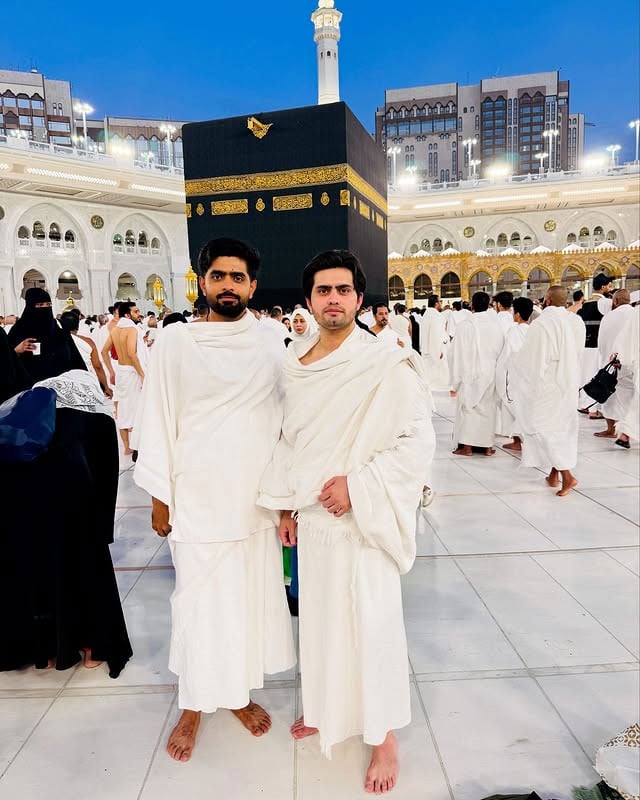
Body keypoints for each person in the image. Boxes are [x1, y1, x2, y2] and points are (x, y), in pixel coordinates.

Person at [258, 249, 435, 795]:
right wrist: (286, 505)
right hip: (313, 522)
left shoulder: (385, 362)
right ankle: (328, 711)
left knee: (371, 627)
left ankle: (383, 737)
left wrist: (357, 488)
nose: (332, 299)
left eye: (342, 290)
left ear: (359, 299)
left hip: (362, 520)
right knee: (320, 624)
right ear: (309, 300)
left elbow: (417, 442)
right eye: (322, 290)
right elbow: (288, 440)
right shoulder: (293, 361)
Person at [133, 237, 295, 764]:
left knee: (246, 603)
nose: (229, 285)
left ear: (252, 285)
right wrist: (160, 497)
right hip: (197, 496)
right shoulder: (175, 342)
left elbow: (288, 421)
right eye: (219, 276)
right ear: (202, 281)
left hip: (254, 499)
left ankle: (239, 694)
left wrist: (287, 497)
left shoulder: (272, 340)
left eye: (239, 277)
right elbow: (157, 415)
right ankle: (194, 704)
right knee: (200, 606)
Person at [0, 328, 132, 678]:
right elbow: (107, 480)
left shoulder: (22, 408)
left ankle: (41, 650)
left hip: (24, 508)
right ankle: (92, 648)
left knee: (37, 570)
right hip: (75, 508)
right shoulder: (95, 417)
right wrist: (103, 529)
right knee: (84, 571)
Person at [510, 286, 585, 497]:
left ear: (548, 300)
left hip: (549, 384)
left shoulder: (542, 324)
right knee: (562, 427)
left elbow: (532, 361)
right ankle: (554, 474)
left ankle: (567, 476)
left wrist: (514, 364)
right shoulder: (574, 321)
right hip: (569, 383)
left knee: (542, 427)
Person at [451, 291, 504, 457]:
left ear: (472, 305)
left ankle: (466, 447)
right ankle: (487, 446)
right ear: (489, 305)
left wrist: (455, 378)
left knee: (469, 408)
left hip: (470, 372)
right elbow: (501, 351)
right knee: (488, 408)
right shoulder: (496, 326)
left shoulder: (465, 326)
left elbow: (456, 353)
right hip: (490, 372)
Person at [8, 289, 86, 382]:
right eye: (40, 305)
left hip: (64, 387)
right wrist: (16, 351)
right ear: (30, 306)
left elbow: (76, 358)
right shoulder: (19, 330)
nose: (45, 308)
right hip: (34, 389)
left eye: (48, 304)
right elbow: (5, 362)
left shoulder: (59, 328)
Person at [101, 301, 146, 455]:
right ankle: (138, 444)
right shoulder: (131, 329)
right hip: (132, 372)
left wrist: (112, 371)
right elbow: (131, 353)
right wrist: (142, 373)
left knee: (123, 408)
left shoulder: (115, 330)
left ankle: (127, 447)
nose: (138, 314)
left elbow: (104, 351)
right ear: (127, 314)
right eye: (135, 312)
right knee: (137, 408)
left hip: (120, 372)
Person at [593, 289, 636, 439]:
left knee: (610, 398)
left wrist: (605, 359)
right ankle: (628, 431)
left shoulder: (609, 317)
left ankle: (611, 429)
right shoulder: (635, 314)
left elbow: (602, 343)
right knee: (631, 397)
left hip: (611, 363)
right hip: (632, 363)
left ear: (615, 301)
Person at [495, 296, 534, 452]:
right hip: (530, 376)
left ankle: (518, 440)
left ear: (517, 314)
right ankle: (523, 439)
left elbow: (510, 354)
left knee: (513, 407)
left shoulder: (514, 330)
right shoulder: (533, 330)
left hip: (515, 376)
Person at [578, 273, 612, 417]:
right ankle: (593, 410)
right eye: (609, 286)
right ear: (603, 287)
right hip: (598, 346)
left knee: (586, 375)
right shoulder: (604, 303)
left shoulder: (584, 304)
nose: (610, 288)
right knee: (597, 376)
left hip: (585, 346)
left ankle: (584, 405)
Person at [59, 310, 111, 396]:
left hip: (65, 383)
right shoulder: (88, 341)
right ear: (78, 326)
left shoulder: (56, 342)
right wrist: (106, 387)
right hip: (87, 380)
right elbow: (97, 366)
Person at [612, 306, 640, 448]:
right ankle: (626, 433)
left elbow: (624, 336)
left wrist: (617, 353)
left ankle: (626, 433)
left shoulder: (637, 311)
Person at [419, 294, 449, 390]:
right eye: (440, 302)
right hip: (435, 350)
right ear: (436, 303)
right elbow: (435, 335)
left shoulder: (427, 314)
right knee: (438, 380)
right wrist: (437, 351)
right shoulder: (436, 316)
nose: (441, 304)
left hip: (427, 349)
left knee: (429, 377)